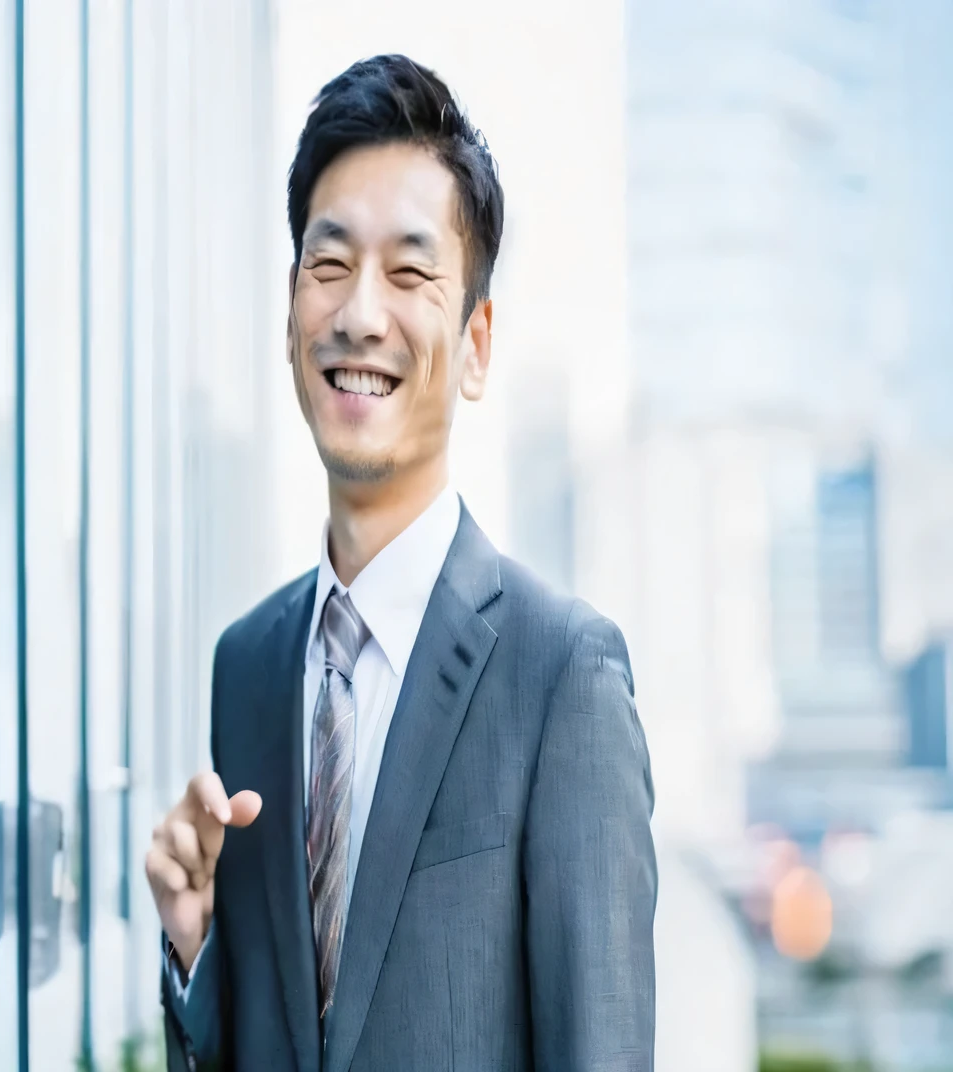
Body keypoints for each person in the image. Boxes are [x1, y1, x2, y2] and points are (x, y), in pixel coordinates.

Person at [145, 53, 657, 1072]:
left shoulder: (562, 676)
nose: (360, 314)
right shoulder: (245, 666)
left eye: (410, 272)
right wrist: (196, 947)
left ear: (474, 343)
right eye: (328, 265)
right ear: (291, 312)